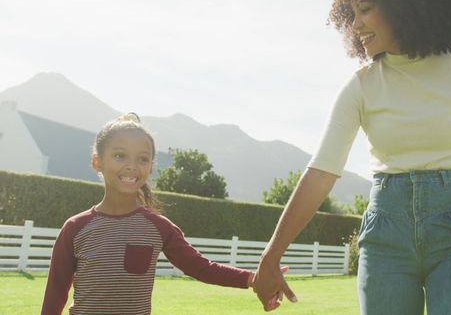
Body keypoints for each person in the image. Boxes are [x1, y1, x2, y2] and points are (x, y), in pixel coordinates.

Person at [253, 0, 451, 314]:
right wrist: (271, 254)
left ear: (403, 3)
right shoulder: (360, 86)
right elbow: (321, 172)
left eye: (364, 10)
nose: (355, 25)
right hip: (385, 238)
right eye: (351, 14)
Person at [41, 113, 281, 314]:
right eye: (119, 155)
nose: (132, 165)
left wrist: (253, 278)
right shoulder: (75, 228)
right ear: (97, 162)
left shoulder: (159, 227)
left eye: (143, 159)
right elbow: (55, 293)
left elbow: (201, 267)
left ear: (151, 167)